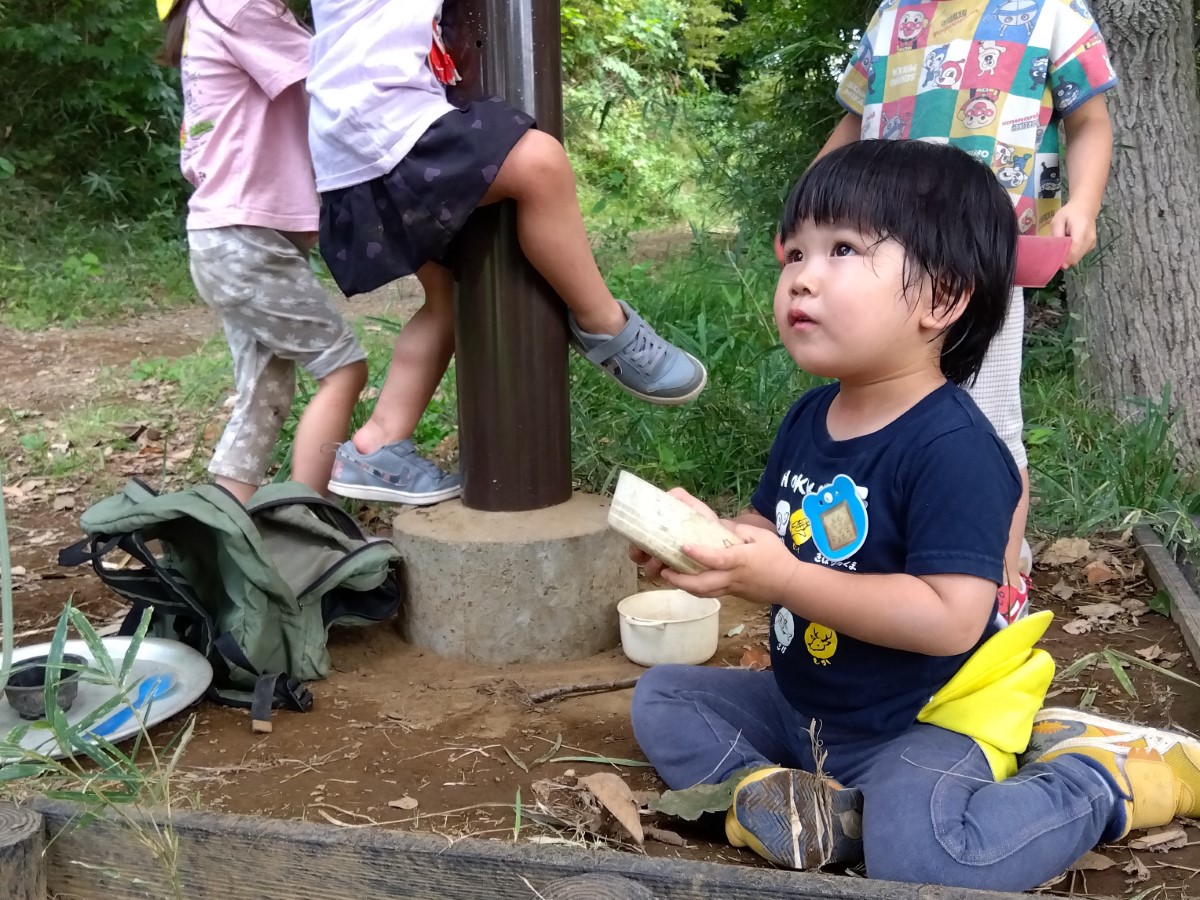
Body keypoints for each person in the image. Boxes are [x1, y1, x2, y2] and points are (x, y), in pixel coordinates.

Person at [628, 141, 1200, 891]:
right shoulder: (809, 417)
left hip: (925, 716)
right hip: (807, 706)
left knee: (925, 861)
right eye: (794, 252)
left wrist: (783, 579)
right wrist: (711, 545)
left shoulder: (955, 448)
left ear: (942, 299)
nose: (802, 275)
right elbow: (769, 529)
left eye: (842, 249)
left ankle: (1097, 779)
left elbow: (949, 619)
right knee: (664, 697)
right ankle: (802, 807)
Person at [303, 0, 708, 505]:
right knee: (540, 164)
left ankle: (377, 444)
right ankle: (604, 324)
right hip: (384, 124)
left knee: (446, 301)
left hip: (354, 142)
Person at [816, 0, 1117, 623]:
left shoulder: (1053, 13)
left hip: (984, 257)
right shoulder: (893, 16)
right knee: (876, 408)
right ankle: (884, 558)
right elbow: (851, 124)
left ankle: (999, 575)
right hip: (878, 264)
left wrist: (1082, 206)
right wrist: (808, 207)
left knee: (990, 420)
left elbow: (1089, 121)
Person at [159, 0, 369, 504]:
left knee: (262, 396)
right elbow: (335, 74)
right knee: (343, 369)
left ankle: (225, 527)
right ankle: (309, 518)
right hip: (246, 239)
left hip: (226, 237)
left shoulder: (211, 13)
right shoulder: (238, 6)